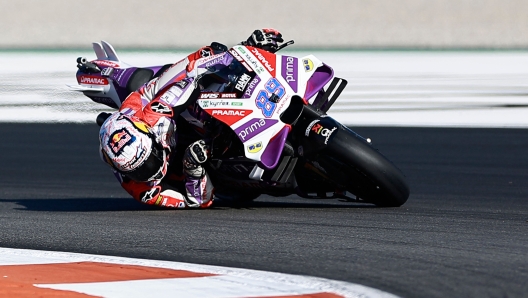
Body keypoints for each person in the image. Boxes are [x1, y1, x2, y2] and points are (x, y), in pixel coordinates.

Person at [98, 29, 285, 209]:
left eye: (148, 162)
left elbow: (182, 74)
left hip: (170, 113)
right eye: (137, 172)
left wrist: (241, 53)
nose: (147, 172)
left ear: (150, 134)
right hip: (197, 169)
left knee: (203, 67)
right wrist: (192, 167)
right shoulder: (144, 190)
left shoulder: (151, 112)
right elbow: (196, 201)